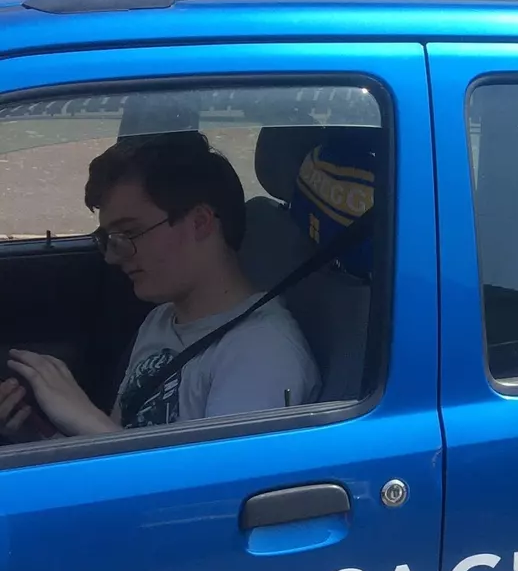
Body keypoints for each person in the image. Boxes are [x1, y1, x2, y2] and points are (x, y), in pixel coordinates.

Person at [1, 131, 319, 442]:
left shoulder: (262, 354)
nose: (113, 255)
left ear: (200, 222)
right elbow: (119, 448)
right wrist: (42, 435)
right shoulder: (163, 318)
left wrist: (84, 417)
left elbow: (214, 490)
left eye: (130, 233)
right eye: (108, 238)